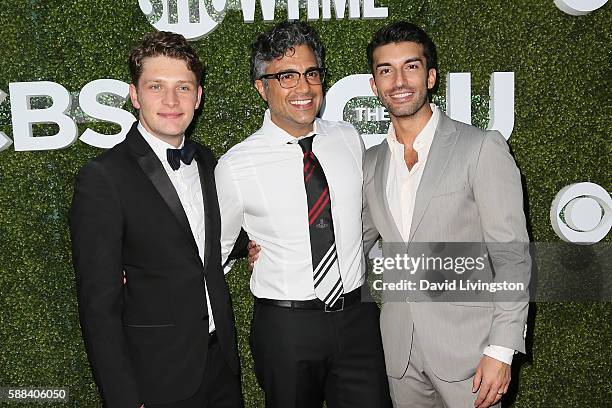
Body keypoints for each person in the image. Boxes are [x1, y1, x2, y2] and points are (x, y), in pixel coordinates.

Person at [215, 21, 391, 408]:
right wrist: (243, 248)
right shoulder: (236, 165)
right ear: (262, 87)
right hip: (286, 328)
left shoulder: (348, 139)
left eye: (311, 73)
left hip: (357, 317)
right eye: (286, 76)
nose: (303, 87)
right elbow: (216, 250)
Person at [70, 31, 245, 408]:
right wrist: (123, 398)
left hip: (221, 365)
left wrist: (255, 243)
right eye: (156, 86)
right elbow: (97, 307)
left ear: (198, 97)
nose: (171, 100)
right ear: (135, 95)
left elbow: (208, 236)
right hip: (156, 378)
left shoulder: (208, 162)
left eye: (183, 87)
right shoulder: (103, 177)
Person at [362, 22, 530, 408]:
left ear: (431, 76)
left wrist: (502, 349)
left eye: (411, 66)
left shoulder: (480, 148)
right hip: (399, 355)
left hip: (471, 353)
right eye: (386, 70)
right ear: (374, 85)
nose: (399, 80)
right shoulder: (371, 163)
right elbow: (351, 242)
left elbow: (512, 257)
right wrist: (268, 248)